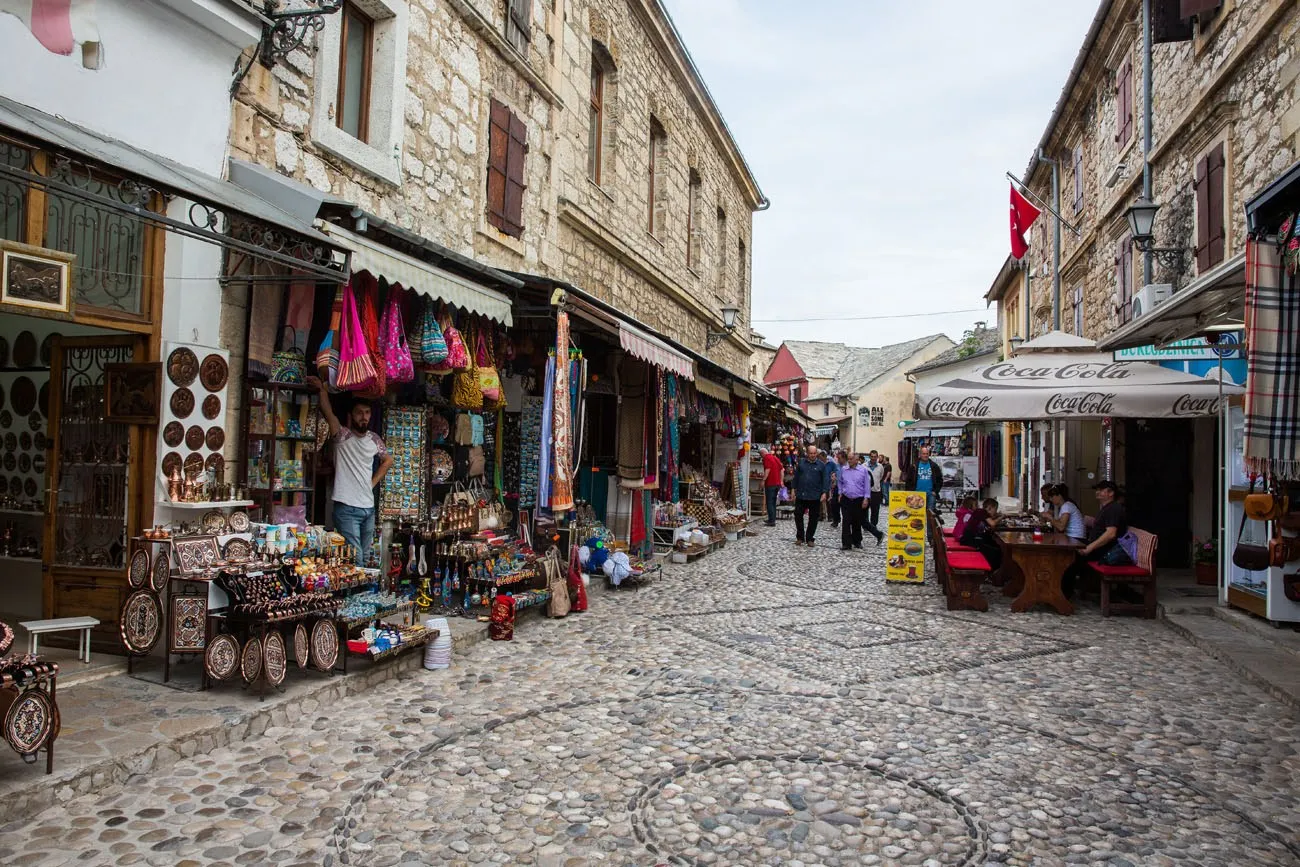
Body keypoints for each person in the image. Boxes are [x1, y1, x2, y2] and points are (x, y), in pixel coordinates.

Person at [310, 376, 394, 566]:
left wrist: (372, 482)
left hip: (368, 507)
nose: (363, 417)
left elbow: (388, 460)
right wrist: (322, 391)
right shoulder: (342, 436)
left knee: (365, 555)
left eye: (367, 413)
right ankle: (354, 594)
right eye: (359, 413)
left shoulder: (374, 439)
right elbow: (328, 412)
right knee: (354, 556)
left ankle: (362, 595)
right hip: (346, 507)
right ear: (351, 416)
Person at [837, 452, 883, 550]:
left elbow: (867, 485)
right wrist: (840, 492)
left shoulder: (863, 470)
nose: (848, 461)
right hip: (846, 498)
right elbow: (840, 481)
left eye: (850, 459)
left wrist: (866, 498)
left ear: (856, 460)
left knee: (857, 521)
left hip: (859, 499)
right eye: (848, 459)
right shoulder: (844, 469)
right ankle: (846, 543)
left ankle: (857, 541)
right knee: (846, 521)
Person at [791, 445, 832, 547]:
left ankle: (810, 538)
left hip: (815, 495)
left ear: (816, 454)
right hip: (801, 494)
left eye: (814, 453)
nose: (813, 455)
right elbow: (796, 477)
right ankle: (800, 537)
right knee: (798, 515)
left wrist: (824, 493)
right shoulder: (801, 463)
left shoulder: (821, 465)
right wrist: (793, 489)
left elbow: (825, 480)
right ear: (807, 454)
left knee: (813, 518)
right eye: (811, 453)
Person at [960, 497, 1003, 570]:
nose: (995, 512)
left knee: (995, 545)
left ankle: (998, 570)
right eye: (995, 509)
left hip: (973, 538)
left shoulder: (981, 512)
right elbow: (992, 524)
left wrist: (996, 516)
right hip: (970, 540)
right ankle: (993, 572)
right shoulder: (981, 512)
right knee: (995, 552)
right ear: (990, 508)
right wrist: (1001, 517)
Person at [903, 445, 944, 515]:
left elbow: (940, 480)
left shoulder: (934, 466)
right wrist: (910, 492)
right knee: (917, 515)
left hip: (930, 494)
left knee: (930, 515)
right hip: (916, 495)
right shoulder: (914, 466)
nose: (925, 455)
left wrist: (935, 491)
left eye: (927, 454)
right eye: (924, 454)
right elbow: (908, 480)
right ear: (920, 454)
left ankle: (929, 526)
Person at [760, 447, 784, 527]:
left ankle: (771, 521)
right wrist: (781, 481)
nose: (761, 457)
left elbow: (767, 469)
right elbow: (781, 470)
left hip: (770, 483)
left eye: (761, 455)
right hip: (777, 484)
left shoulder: (766, 458)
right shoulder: (775, 458)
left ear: (763, 453)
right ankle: (772, 519)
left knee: (769, 502)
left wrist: (763, 480)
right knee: (773, 502)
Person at [866, 450, 886, 529]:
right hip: (867, 491)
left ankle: (873, 525)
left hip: (876, 492)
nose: (873, 458)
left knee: (875, 510)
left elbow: (881, 476)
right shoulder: (865, 466)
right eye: (872, 456)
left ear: (877, 457)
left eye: (875, 457)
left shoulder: (880, 467)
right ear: (869, 457)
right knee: (865, 510)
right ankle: (866, 525)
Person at [826, 451, 842, 528]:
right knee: (834, 504)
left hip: (845, 488)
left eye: (839, 458)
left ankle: (845, 520)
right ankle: (836, 520)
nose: (838, 459)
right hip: (837, 487)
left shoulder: (847, 466)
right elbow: (833, 475)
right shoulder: (836, 466)